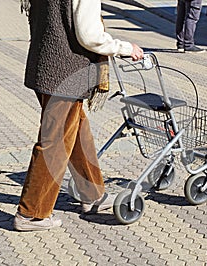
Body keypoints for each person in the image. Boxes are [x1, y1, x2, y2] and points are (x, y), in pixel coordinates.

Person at [14, 0, 144, 231]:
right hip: (67, 70)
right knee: (55, 142)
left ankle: (92, 194)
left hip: (44, 64)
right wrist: (125, 48)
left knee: (77, 134)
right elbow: (90, 35)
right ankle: (32, 213)